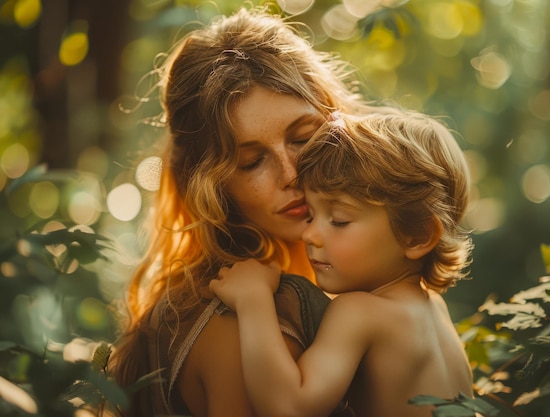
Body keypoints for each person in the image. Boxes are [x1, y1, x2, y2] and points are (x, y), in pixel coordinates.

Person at [109, 6, 374, 417]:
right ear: (211, 187)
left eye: (303, 138)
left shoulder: (348, 280)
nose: (291, 174)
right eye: (251, 161)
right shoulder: (240, 329)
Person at [210, 110, 475, 417]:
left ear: (417, 235)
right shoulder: (434, 309)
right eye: (311, 214)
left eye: (339, 220)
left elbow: (289, 408)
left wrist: (253, 300)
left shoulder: (359, 312)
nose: (309, 234)